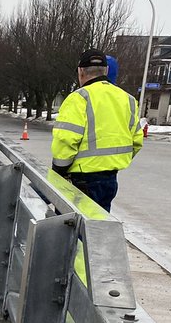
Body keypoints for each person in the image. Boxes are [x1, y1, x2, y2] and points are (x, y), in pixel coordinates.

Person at [51, 49, 144, 212]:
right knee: (98, 228)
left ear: (80, 72)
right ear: (106, 71)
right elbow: (136, 141)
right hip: (110, 179)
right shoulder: (127, 99)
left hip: (80, 180)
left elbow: (65, 140)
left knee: (70, 229)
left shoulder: (78, 98)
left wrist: (58, 172)